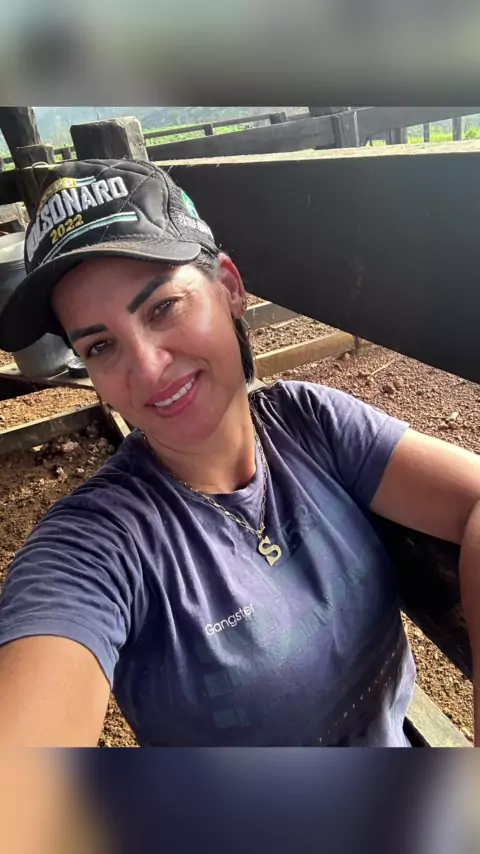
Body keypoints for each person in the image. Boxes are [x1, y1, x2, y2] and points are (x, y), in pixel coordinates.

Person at [0, 158, 478, 748]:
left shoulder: (309, 422)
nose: (147, 369)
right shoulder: (95, 545)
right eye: (100, 346)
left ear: (229, 287)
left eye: (162, 307)